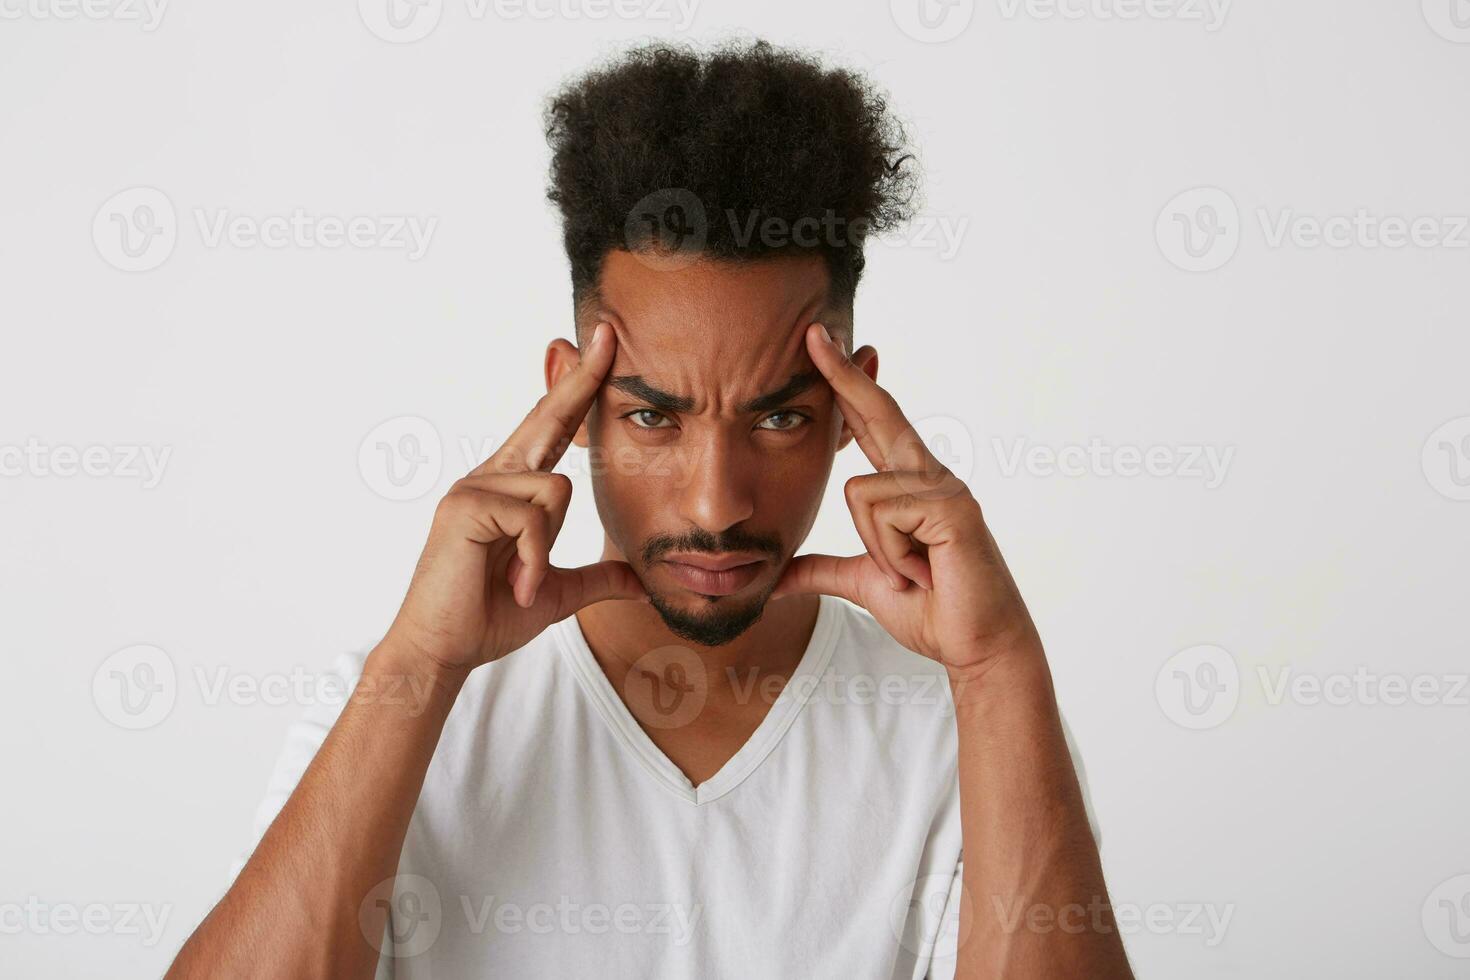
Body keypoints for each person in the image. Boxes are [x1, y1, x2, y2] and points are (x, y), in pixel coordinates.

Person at [166, 39, 1133, 979]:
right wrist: (417, 666)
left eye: (780, 416)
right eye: (652, 417)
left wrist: (1000, 668)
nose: (716, 502)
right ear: (574, 401)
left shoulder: (965, 723)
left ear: (849, 410)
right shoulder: (398, 702)